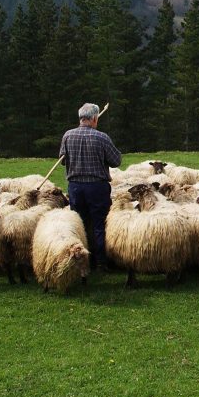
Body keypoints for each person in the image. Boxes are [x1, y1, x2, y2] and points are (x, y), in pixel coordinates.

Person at [59, 102, 121, 271]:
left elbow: (63, 160)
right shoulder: (102, 137)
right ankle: (101, 262)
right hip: (97, 187)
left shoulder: (68, 135)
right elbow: (117, 161)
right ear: (94, 118)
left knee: (81, 224)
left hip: (76, 187)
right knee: (100, 224)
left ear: (80, 118)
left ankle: (83, 262)